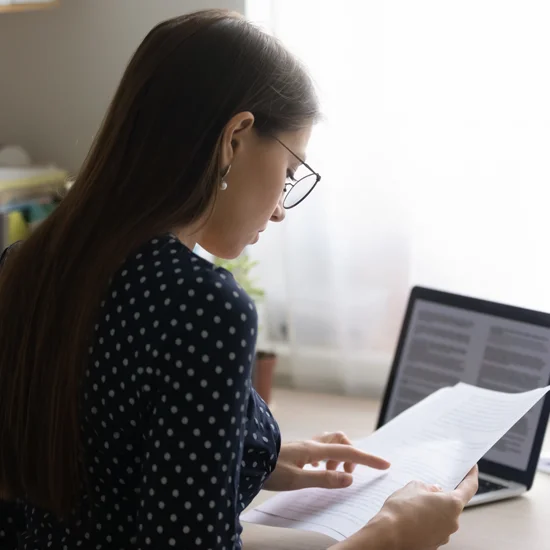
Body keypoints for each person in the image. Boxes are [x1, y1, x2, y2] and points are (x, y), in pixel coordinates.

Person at [0, 9, 478, 550]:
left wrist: (255, 452)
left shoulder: (23, 267)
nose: (280, 211)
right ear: (235, 138)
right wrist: (395, 534)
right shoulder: (201, 306)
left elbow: (101, 456)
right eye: (291, 173)